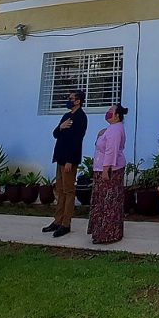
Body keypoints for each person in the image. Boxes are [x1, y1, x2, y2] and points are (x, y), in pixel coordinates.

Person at [43, 89, 88, 238]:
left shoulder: (81, 117)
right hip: (60, 157)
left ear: (78, 101)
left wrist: (70, 160)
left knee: (68, 191)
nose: (68, 100)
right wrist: (60, 127)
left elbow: (77, 140)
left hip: (69, 160)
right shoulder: (66, 116)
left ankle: (66, 224)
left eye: (71, 98)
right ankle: (57, 220)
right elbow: (56, 134)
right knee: (60, 190)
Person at [88, 103, 128, 244]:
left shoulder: (115, 130)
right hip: (102, 168)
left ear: (117, 116)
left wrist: (106, 169)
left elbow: (111, 150)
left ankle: (108, 233)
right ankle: (101, 232)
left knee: (108, 201)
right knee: (102, 200)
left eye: (111, 110)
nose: (108, 112)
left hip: (110, 169)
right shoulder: (111, 129)